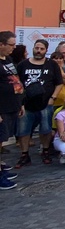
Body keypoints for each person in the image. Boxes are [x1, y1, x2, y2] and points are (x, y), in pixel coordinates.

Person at [15, 39, 63, 167]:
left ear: (46, 50)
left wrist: (53, 97)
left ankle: (45, 151)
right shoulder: (23, 65)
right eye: (37, 48)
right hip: (26, 104)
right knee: (23, 130)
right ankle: (24, 154)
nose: (38, 51)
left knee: (46, 129)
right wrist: (20, 101)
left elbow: (59, 83)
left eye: (41, 49)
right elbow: (17, 83)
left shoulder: (52, 64)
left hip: (45, 103)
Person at [0, 32, 23, 188]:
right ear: (1, 44)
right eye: (11, 45)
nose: (14, 48)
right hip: (2, 109)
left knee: (2, 140)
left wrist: (20, 103)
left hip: (11, 106)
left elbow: (15, 80)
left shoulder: (7, 60)